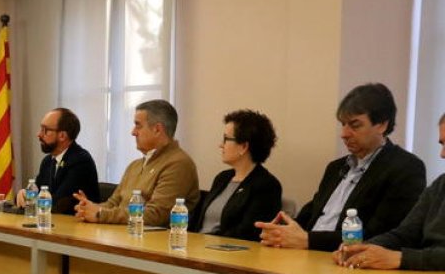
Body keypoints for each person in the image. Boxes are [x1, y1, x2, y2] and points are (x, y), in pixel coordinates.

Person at [256, 82, 426, 251]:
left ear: (382, 125)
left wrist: (308, 240)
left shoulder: (406, 168)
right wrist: (281, 231)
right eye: (343, 124)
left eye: (355, 125)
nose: (344, 134)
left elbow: (382, 235)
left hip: (350, 262)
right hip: (307, 255)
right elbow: (311, 215)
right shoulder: (335, 168)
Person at [334, 112, 445, 270]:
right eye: (442, 144)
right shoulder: (440, 186)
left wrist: (401, 259)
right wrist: (359, 250)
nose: (442, 154)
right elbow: (404, 234)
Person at [74, 99, 200, 225]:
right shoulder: (134, 165)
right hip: (122, 235)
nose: (133, 132)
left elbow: (156, 215)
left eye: (138, 125)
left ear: (157, 129)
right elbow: (113, 203)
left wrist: (100, 214)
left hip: (153, 241)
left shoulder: (179, 164)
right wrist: (89, 208)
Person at [188, 109, 283, 242]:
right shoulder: (222, 178)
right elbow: (198, 223)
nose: (221, 145)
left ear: (243, 146)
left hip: (228, 254)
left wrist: (203, 242)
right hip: (199, 248)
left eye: (226, 139)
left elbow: (247, 234)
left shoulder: (267, 186)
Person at [14, 107, 100, 215]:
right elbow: (37, 191)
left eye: (45, 130)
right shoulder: (48, 161)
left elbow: (59, 204)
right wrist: (22, 194)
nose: (39, 135)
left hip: (76, 228)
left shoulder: (81, 161)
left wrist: (31, 200)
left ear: (62, 136)